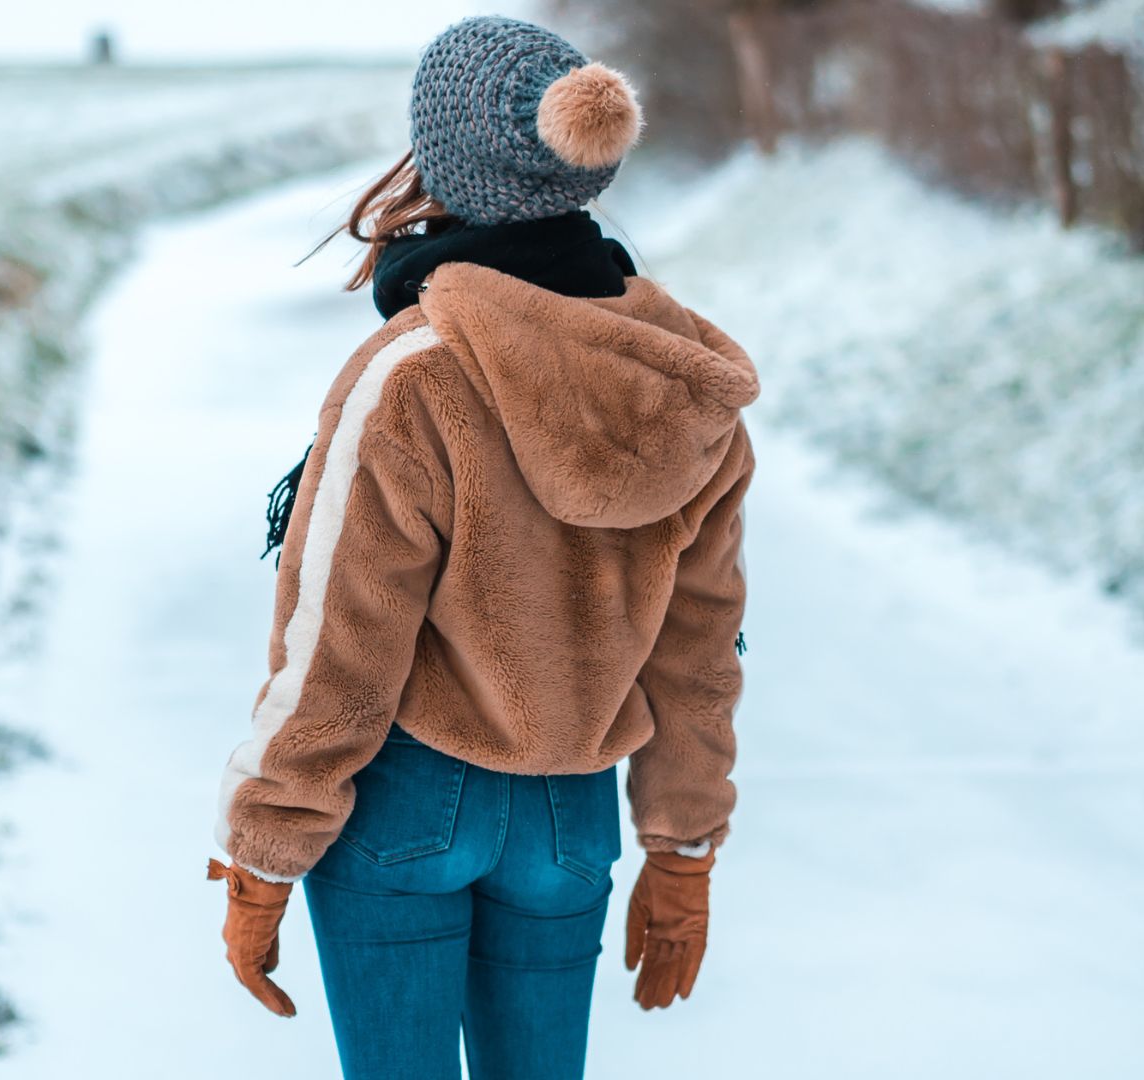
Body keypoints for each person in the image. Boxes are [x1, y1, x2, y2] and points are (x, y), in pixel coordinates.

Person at [208, 15, 756, 1079]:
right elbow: (700, 651)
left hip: (405, 808)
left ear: (441, 162)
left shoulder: (412, 375)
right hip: (570, 827)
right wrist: (683, 850)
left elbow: (341, 647)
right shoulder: (682, 385)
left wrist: (264, 853)